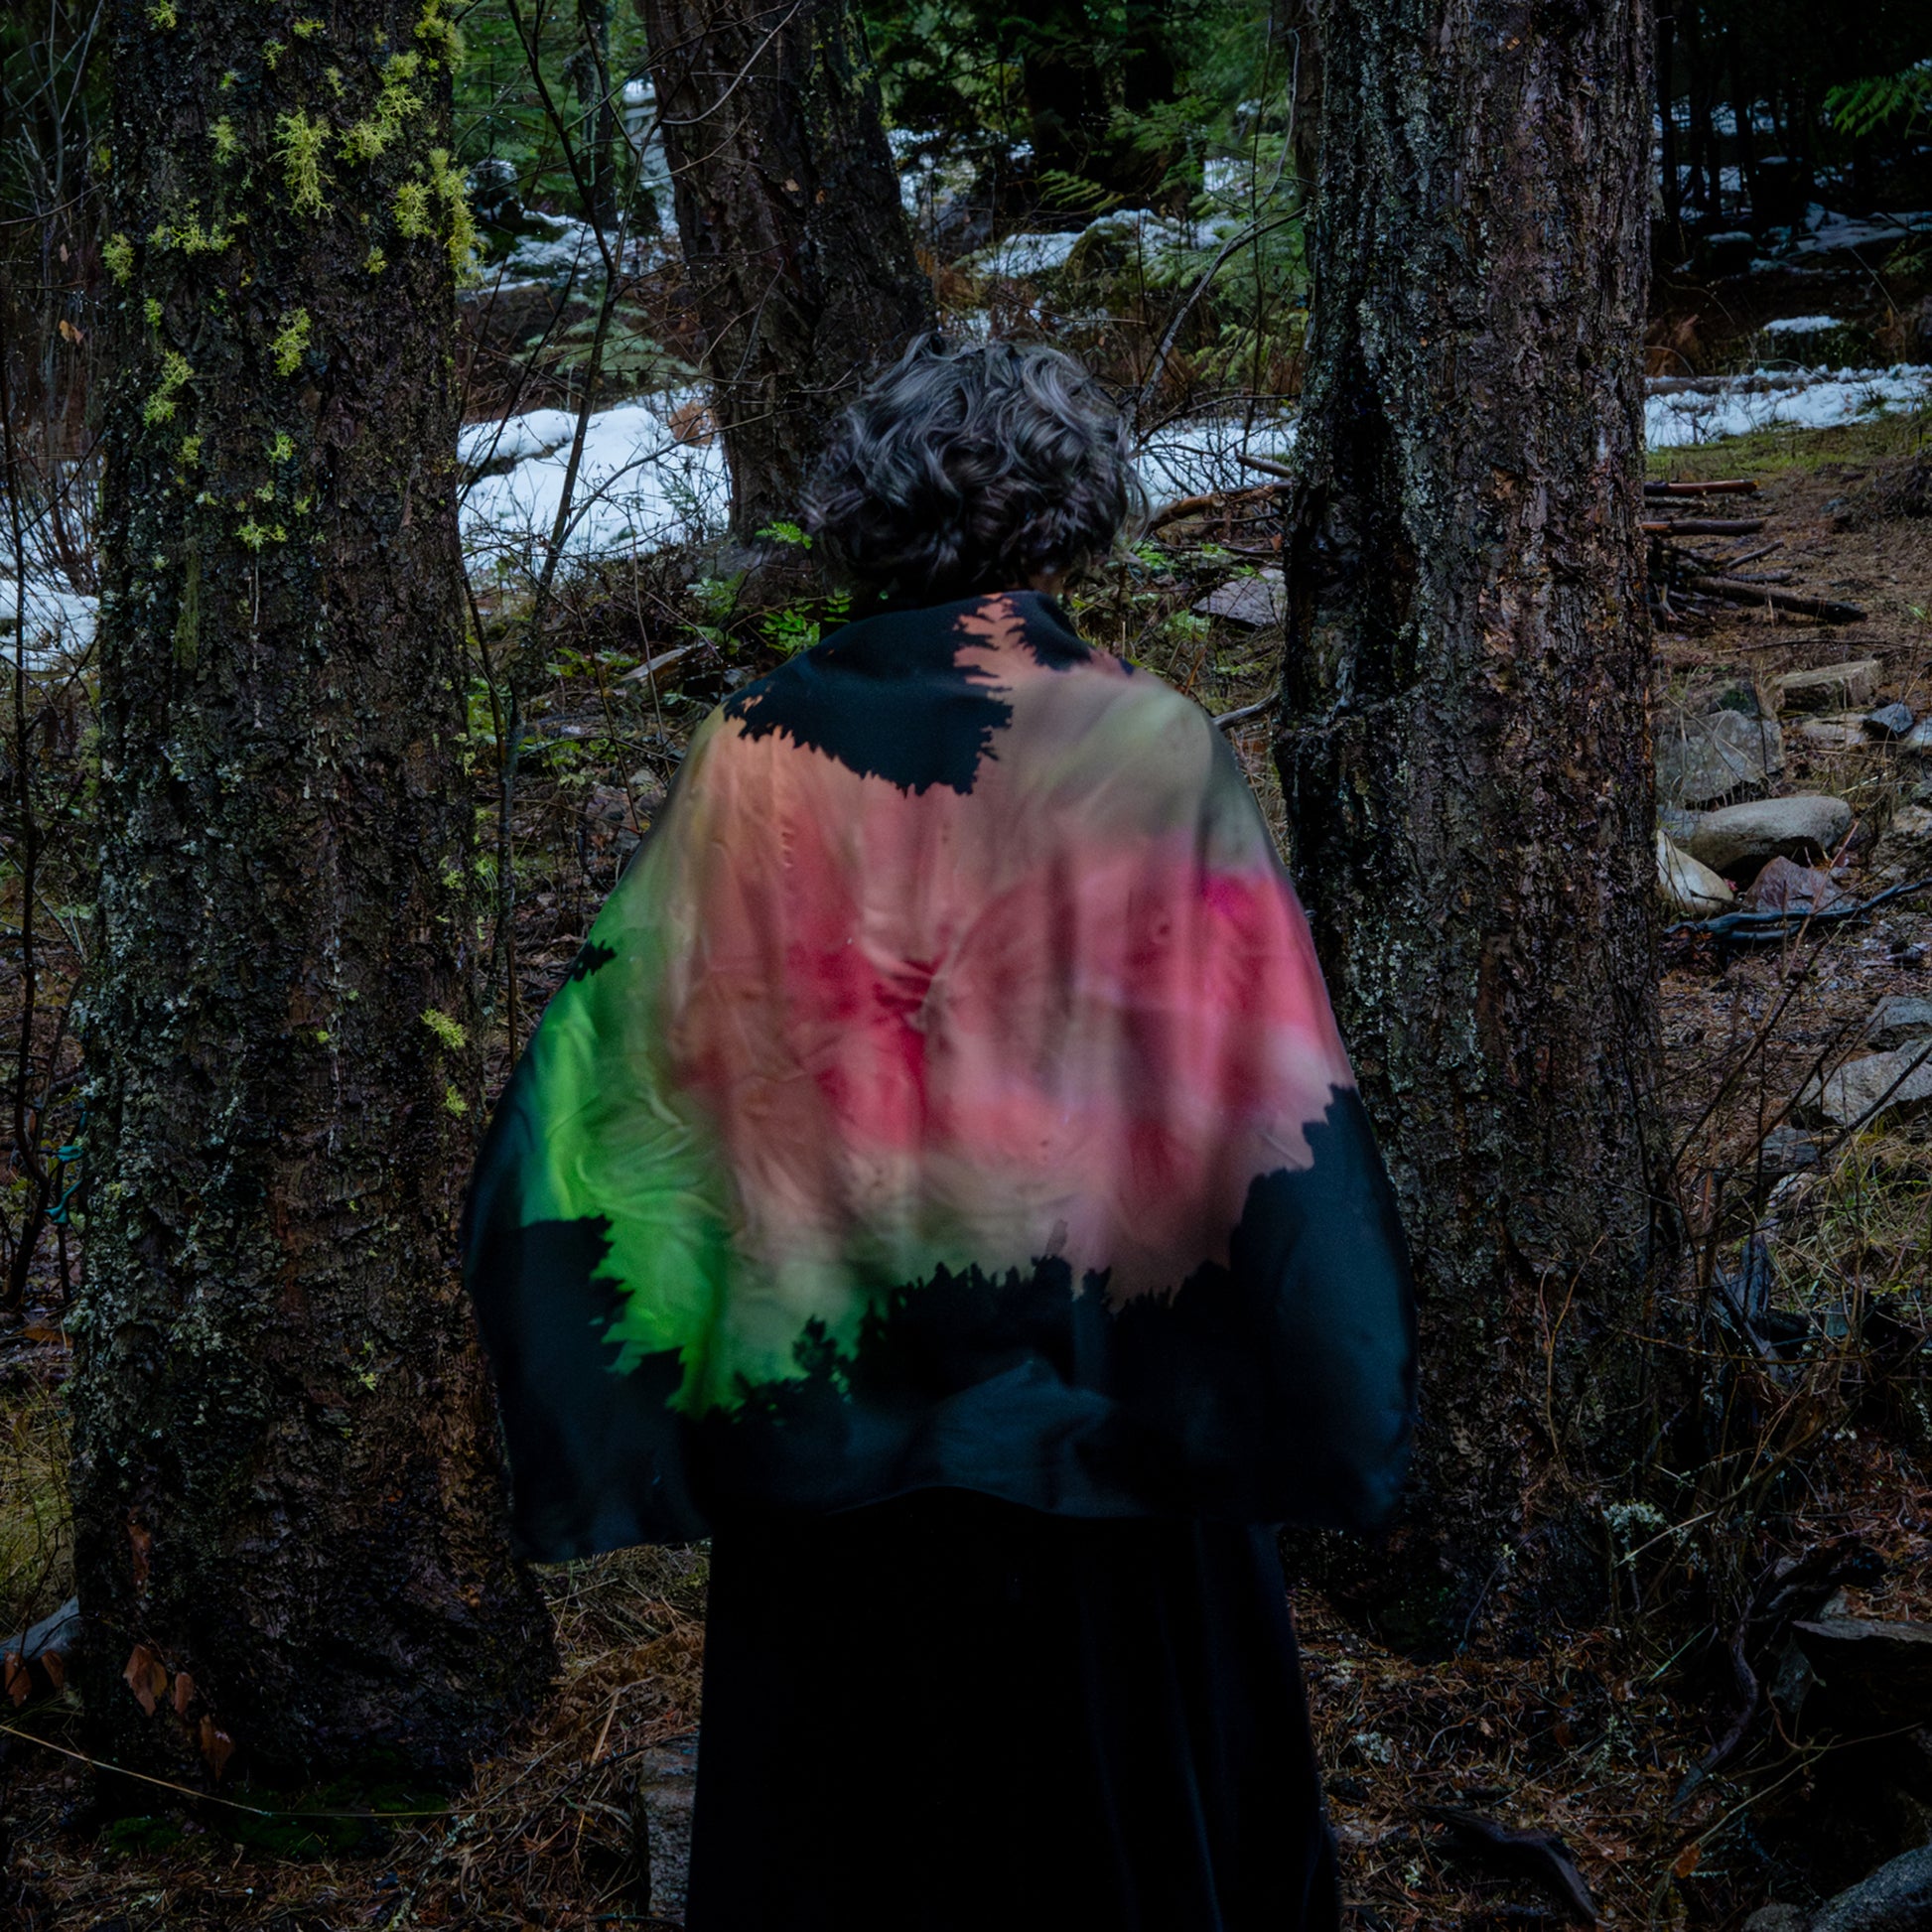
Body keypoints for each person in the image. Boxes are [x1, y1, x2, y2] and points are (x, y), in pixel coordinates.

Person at [463, 337, 1417, 1931]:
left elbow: (621, 1086)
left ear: (869, 512)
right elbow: (1259, 1105)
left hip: (832, 1435)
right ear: (1072, 515)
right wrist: (1318, 1361)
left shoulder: (758, 748)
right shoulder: (1142, 745)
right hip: (1107, 1426)